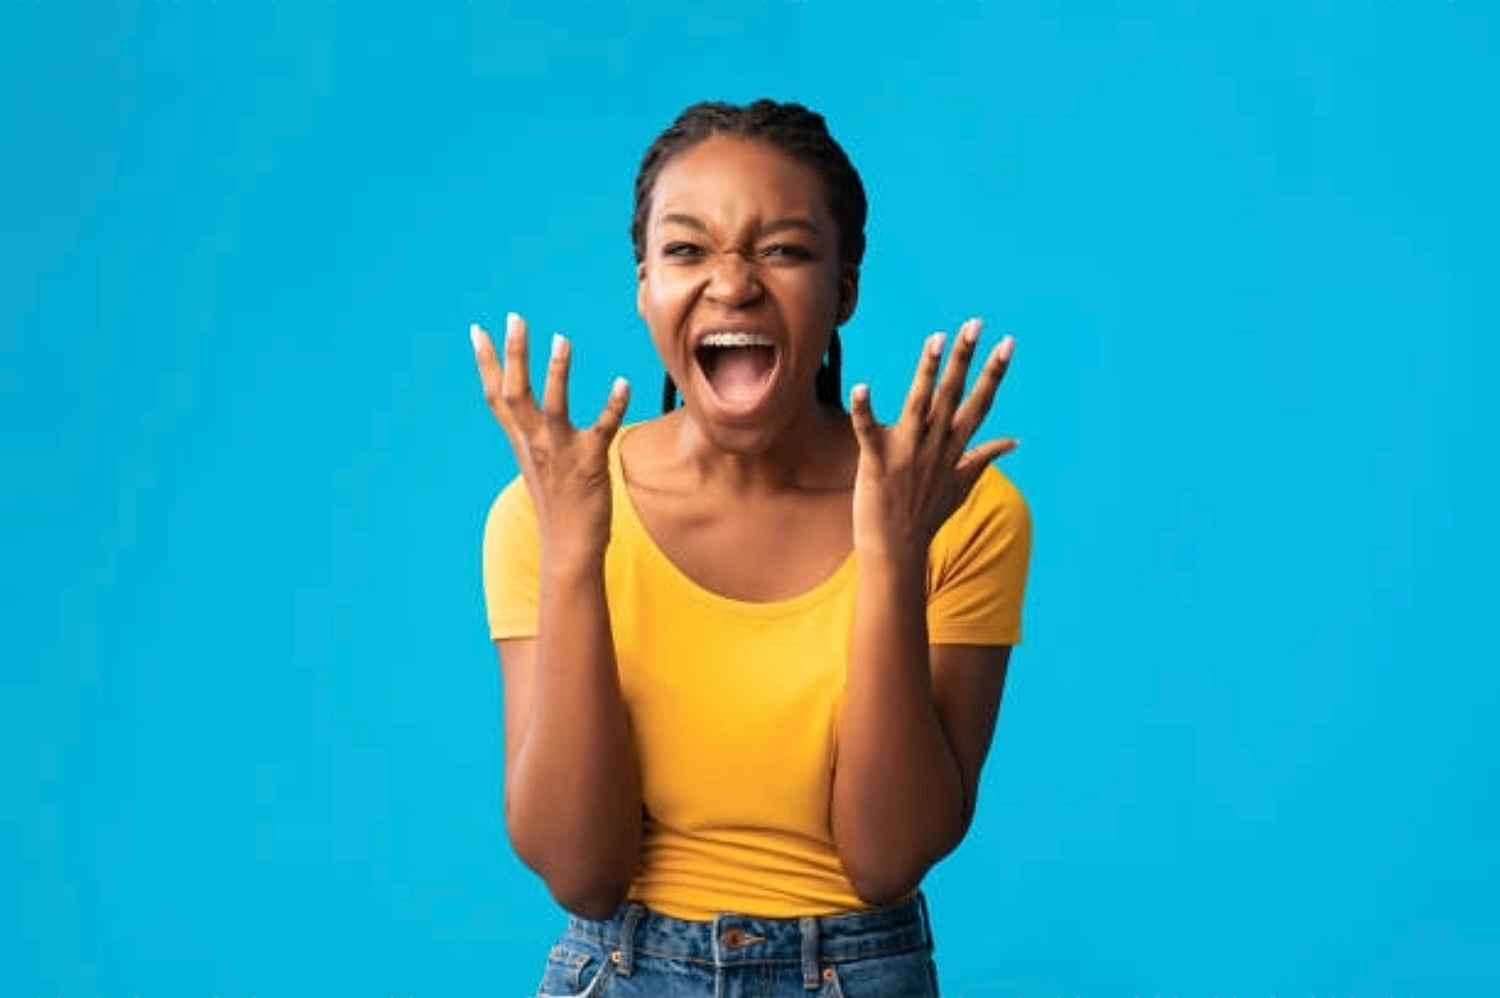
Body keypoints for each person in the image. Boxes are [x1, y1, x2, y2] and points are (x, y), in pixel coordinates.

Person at [472, 99, 1032, 998]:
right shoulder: (548, 510)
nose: (733, 284)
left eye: (782, 249)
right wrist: (575, 558)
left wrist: (889, 555)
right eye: (687, 250)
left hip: (857, 973)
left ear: (844, 288)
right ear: (645, 286)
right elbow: (582, 874)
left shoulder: (958, 511)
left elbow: (888, 857)